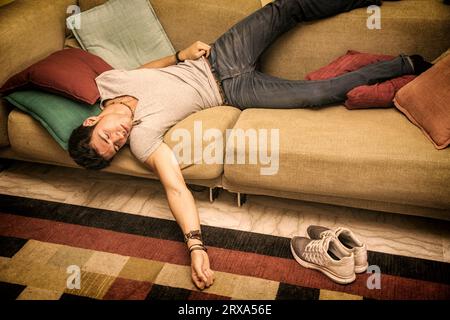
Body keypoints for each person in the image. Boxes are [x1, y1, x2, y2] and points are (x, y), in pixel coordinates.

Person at [68, 0, 430, 290]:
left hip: (220, 56)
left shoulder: (108, 82)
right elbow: (175, 187)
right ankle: (406, 64)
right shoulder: (142, 138)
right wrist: (195, 246)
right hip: (233, 92)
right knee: (318, 93)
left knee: (283, 7)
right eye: (115, 146)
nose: (118, 138)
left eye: (107, 135)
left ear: (92, 119)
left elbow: (141, 70)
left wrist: (180, 55)